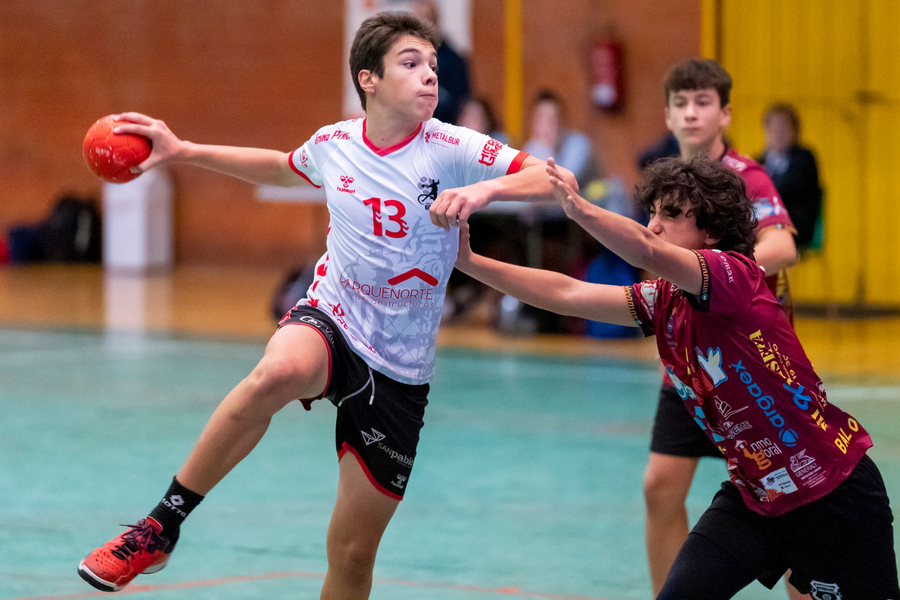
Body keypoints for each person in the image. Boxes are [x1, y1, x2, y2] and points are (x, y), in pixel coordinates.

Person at [76, 12, 575, 598]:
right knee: (278, 371)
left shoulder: (451, 146)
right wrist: (183, 150)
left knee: (352, 553)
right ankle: (160, 527)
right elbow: (283, 168)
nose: (429, 78)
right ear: (368, 79)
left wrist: (484, 187)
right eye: (410, 65)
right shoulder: (335, 143)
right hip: (333, 316)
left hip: (399, 367)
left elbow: (554, 177)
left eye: (433, 67)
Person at [437, 154, 900, 599]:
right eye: (652, 212)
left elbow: (645, 247)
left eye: (671, 215)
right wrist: (472, 264)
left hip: (834, 495)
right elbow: (568, 292)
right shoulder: (665, 301)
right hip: (757, 498)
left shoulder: (733, 275)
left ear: (710, 231)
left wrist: (576, 208)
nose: (654, 223)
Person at [644, 58, 806, 599]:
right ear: (667, 114)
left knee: (780, 500)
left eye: (703, 102)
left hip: (747, 365)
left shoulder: (746, 175)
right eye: (681, 103)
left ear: (724, 112)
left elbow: (783, 244)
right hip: (690, 365)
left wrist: (723, 280)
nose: (691, 114)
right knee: (659, 487)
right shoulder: (668, 183)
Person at [756, 103, 823, 251]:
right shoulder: (758, 161)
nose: (778, 132)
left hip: (794, 226)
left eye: (784, 128)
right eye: (774, 127)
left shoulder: (804, 158)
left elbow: (790, 192)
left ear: (794, 131)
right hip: (763, 225)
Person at [524, 89, 600, 189]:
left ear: (562, 122)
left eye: (552, 119)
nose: (546, 126)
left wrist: (546, 151)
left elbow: (566, 182)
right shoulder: (532, 147)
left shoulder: (580, 145)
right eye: (540, 119)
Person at [411, 0, 470, 124]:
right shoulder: (404, 58)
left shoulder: (451, 60)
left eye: (426, 19)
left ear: (435, 23)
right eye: (416, 22)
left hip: (440, 126)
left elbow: (459, 102)